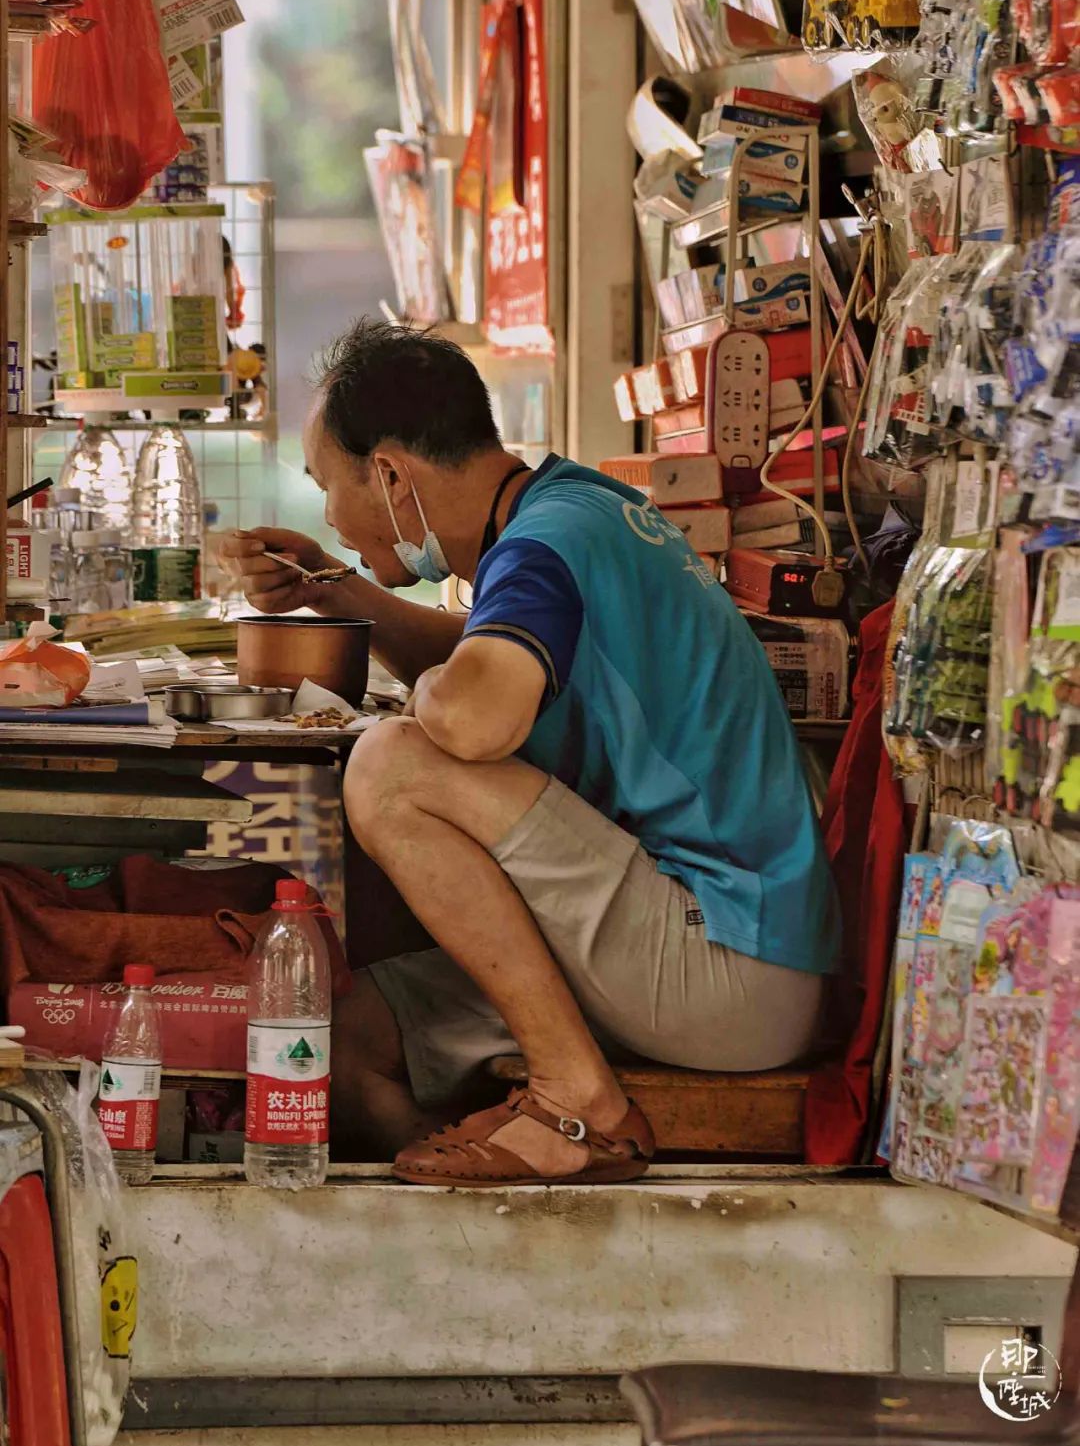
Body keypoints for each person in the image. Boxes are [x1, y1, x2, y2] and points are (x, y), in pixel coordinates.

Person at [223, 320, 839, 1188]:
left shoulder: (548, 546)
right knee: (347, 1036)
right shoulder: (570, 508)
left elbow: (474, 717)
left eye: (329, 486)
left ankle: (573, 1098)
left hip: (730, 962)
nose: (328, 513)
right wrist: (336, 584)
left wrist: (424, 698)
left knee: (388, 765)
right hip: (706, 945)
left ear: (392, 473)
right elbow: (478, 661)